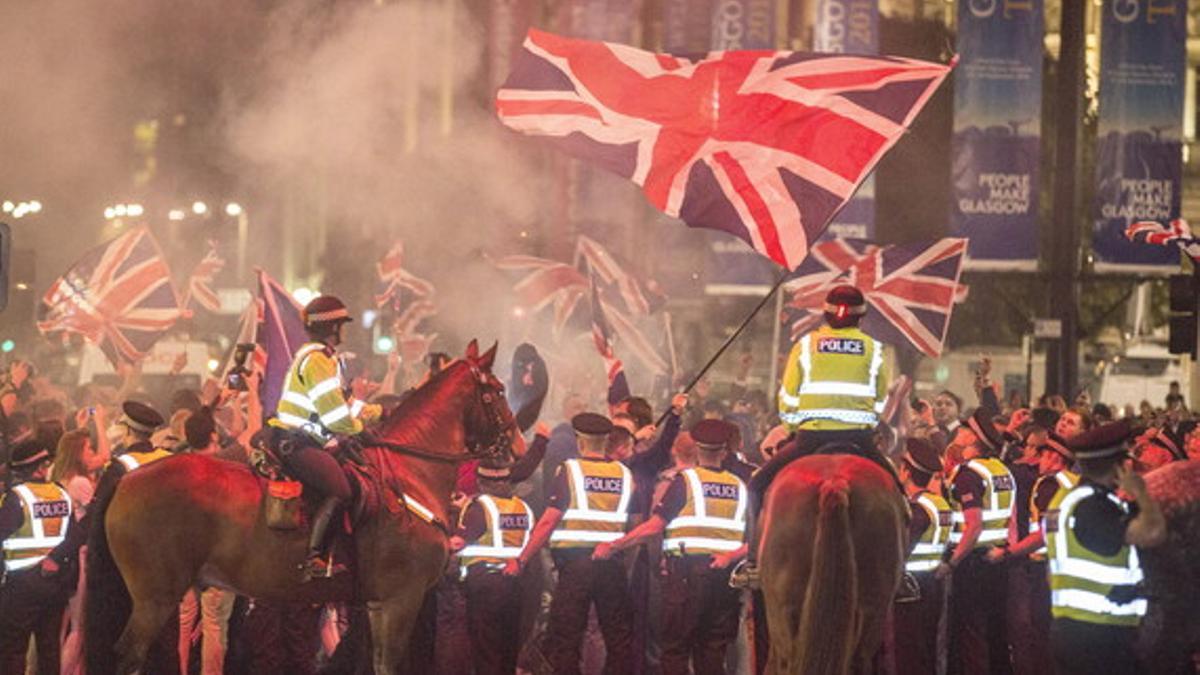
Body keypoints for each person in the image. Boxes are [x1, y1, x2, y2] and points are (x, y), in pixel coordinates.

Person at [733, 284, 894, 588]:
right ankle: (900, 573)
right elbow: (881, 400)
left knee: (756, 487)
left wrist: (794, 428)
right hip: (859, 439)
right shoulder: (873, 349)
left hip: (810, 438)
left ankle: (752, 563)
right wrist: (866, 421)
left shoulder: (806, 346)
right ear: (862, 319)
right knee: (897, 492)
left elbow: (789, 397)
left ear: (825, 315)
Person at [593, 419, 747, 675]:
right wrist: (729, 556)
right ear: (723, 452)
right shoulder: (739, 487)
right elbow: (752, 540)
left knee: (675, 649)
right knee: (712, 651)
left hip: (687, 577)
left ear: (698, 450)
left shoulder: (686, 482)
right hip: (725, 578)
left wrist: (616, 544)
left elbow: (654, 526)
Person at [503, 413, 635, 674]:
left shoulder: (570, 471)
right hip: (612, 563)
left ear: (579, 441)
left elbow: (549, 521)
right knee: (618, 638)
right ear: (606, 440)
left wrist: (522, 558)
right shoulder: (624, 474)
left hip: (575, 567)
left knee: (567, 636)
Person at [268, 295, 381, 579]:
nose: (344, 331)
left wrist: (378, 412)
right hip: (297, 442)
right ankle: (313, 558)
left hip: (307, 439)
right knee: (340, 489)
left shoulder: (327, 360)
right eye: (342, 325)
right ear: (333, 328)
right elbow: (335, 419)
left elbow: (342, 404)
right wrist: (360, 430)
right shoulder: (318, 360)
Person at [1044, 420, 1167, 675]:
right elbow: (1153, 533)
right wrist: (1141, 493)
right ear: (1118, 466)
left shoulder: (1067, 498)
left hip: (1075, 627)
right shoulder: (1093, 507)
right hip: (1099, 633)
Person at [935, 407, 1016, 675]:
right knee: (997, 631)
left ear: (973, 439)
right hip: (998, 561)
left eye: (963, 430)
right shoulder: (1002, 471)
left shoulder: (967, 474)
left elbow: (974, 525)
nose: (958, 433)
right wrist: (1006, 549)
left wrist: (952, 561)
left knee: (970, 633)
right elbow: (1012, 520)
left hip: (972, 563)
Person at [995, 432, 1077, 674]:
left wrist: (1010, 552)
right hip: (1066, 565)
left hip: (1045, 568)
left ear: (1055, 458)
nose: (1039, 459)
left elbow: (1044, 533)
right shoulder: (1074, 481)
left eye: (1043, 453)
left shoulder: (1050, 485)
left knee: (1038, 634)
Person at [451, 461, 536, 675]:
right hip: (517, 585)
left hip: (485, 586)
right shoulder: (523, 508)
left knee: (486, 652)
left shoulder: (480, 507)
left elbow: (458, 543)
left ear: (480, 482)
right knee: (508, 649)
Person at [0, 439, 76, 675]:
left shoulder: (16, 498)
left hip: (20, 585)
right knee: (49, 647)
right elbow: (74, 535)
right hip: (56, 582)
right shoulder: (61, 493)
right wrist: (56, 559)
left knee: (13, 648)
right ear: (40, 467)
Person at [893, 437, 952, 675]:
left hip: (911, 590)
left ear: (906, 472)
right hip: (933, 583)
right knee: (928, 645)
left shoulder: (916, 510)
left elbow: (901, 550)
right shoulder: (940, 504)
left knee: (910, 650)